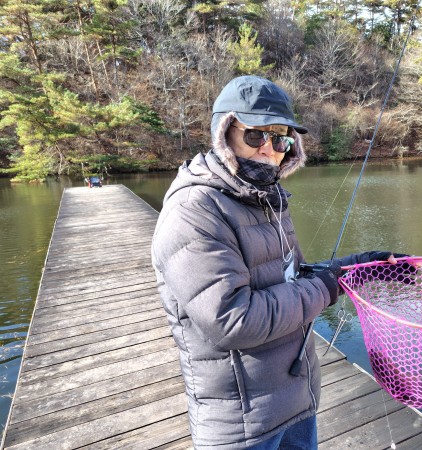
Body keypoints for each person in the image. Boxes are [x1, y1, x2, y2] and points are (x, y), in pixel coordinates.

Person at [151, 75, 405, 449]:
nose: (270, 149)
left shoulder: (266, 198)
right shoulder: (193, 212)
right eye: (256, 135)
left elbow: (293, 278)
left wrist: (365, 266)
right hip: (244, 425)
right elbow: (233, 320)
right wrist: (325, 288)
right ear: (224, 134)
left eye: (281, 139)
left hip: (297, 400)